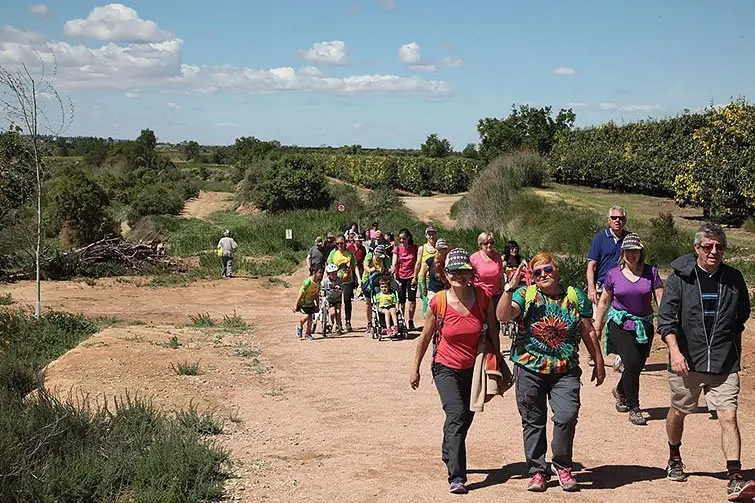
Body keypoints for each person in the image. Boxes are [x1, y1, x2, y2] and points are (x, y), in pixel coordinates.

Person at [657, 223, 754, 501]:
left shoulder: (734, 278)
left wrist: (730, 344)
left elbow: (741, 316)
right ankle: (674, 455)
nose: (714, 252)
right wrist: (675, 352)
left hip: (724, 361)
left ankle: (734, 476)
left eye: (720, 247)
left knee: (729, 415)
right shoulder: (679, 279)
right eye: (709, 246)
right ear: (697, 248)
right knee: (679, 411)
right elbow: (667, 321)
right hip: (687, 360)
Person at [497, 253, 605, 493]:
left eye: (547, 269)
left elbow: (588, 330)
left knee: (567, 415)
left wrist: (598, 360)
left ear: (557, 270)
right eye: (537, 272)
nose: (543, 275)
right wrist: (508, 288)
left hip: (564, 369)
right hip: (529, 368)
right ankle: (537, 470)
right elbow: (503, 315)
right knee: (533, 421)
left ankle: (562, 465)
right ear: (532, 277)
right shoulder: (525, 295)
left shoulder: (574, 296)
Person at [410, 248, 499, 495]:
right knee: (457, 413)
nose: (459, 276)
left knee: (466, 416)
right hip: (445, 367)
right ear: (446, 274)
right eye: (454, 272)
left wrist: (498, 359)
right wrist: (415, 368)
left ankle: (448, 449)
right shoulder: (438, 301)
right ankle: (457, 476)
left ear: (471, 274)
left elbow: (493, 329)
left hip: (474, 366)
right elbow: (425, 337)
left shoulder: (483, 298)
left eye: (464, 271)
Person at [593, 233, 663, 425]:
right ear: (622, 253)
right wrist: (597, 325)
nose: (632, 254)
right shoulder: (613, 274)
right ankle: (635, 407)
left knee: (637, 366)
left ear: (641, 253)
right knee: (631, 362)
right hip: (620, 324)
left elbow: (660, 298)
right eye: (628, 251)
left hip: (644, 325)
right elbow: (604, 301)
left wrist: (667, 322)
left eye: (635, 251)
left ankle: (620, 390)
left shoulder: (652, 272)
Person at [587, 205, 630, 369]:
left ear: (625, 220)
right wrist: (591, 288)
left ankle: (621, 358)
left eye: (620, 218)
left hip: (622, 289)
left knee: (621, 323)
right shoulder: (600, 238)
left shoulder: (629, 239)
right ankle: (594, 353)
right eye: (614, 218)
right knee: (599, 323)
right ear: (609, 220)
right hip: (602, 287)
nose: (617, 221)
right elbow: (591, 265)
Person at [470, 232, 505, 332]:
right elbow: (469, 277)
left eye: (491, 242)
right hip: (479, 295)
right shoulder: (474, 258)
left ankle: (494, 347)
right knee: (480, 325)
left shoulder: (498, 257)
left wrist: (503, 293)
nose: (489, 245)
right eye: (486, 243)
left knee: (495, 325)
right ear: (480, 245)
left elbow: (501, 276)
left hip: (495, 295)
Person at [327, 236, 357, 332]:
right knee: (336, 301)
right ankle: (337, 323)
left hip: (347, 280)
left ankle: (348, 321)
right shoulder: (333, 253)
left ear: (345, 242)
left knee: (347, 300)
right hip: (336, 280)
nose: (340, 245)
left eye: (341, 243)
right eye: (338, 243)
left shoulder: (350, 253)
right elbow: (329, 265)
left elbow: (354, 265)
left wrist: (357, 278)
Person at [392, 228, 419, 330]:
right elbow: (394, 262)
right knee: (401, 300)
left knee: (412, 299)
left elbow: (418, 263)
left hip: (411, 276)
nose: (402, 241)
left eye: (403, 238)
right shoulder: (397, 249)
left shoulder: (415, 249)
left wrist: (415, 277)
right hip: (400, 276)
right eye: (400, 239)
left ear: (408, 238)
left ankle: (411, 320)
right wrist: (393, 268)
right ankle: (402, 320)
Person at [362, 244, 391, 335]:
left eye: (381, 257)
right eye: (378, 256)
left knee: (380, 301)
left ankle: (383, 323)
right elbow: (365, 266)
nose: (379, 259)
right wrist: (371, 270)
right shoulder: (370, 256)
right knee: (368, 303)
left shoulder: (386, 259)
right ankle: (369, 323)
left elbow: (389, 268)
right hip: (368, 281)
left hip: (379, 281)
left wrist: (387, 270)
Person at [413, 225, 439, 315]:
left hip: (436, 278)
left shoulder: (439, 248)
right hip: (423, 278)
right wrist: (414, 277)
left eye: (433, 234)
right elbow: (418, 263)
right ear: (426, 236)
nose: (431, 236)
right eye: (429, 234)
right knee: (425, 299)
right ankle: (427, 321)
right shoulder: (422, 248)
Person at [293, 265, 323, 340]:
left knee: (310, 318)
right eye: (319, 272)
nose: (321, 274)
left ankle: (308, 333)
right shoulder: (307, 282)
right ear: (314, 273)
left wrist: (317, 305)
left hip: (311, 302)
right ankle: (300, 326)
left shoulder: (318, 283)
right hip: (303, 302)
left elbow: (316, 295)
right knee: (307, 316)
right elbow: (301, 293)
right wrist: (296, 304)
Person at [321, 263, 344, 336]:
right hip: (330, 299)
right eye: (332, 274)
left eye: (335, 273)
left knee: (338, 312)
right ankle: (331, 323)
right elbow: (322, 289)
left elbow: (343, 288)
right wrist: (322, 293)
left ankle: (338, 325)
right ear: (328, 274)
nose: (334, 275)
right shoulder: (325, 281)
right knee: (332, 313)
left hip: (337, 298)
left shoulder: (339, 280)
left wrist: (339, 287)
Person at [423, 238, 450, 303]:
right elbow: (423, 273)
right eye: (440, 249)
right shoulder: (430, 261)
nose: (442, 251)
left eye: (444, 249)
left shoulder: (449, 261)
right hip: (433, 291)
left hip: (446, 290)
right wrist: (424, 288)